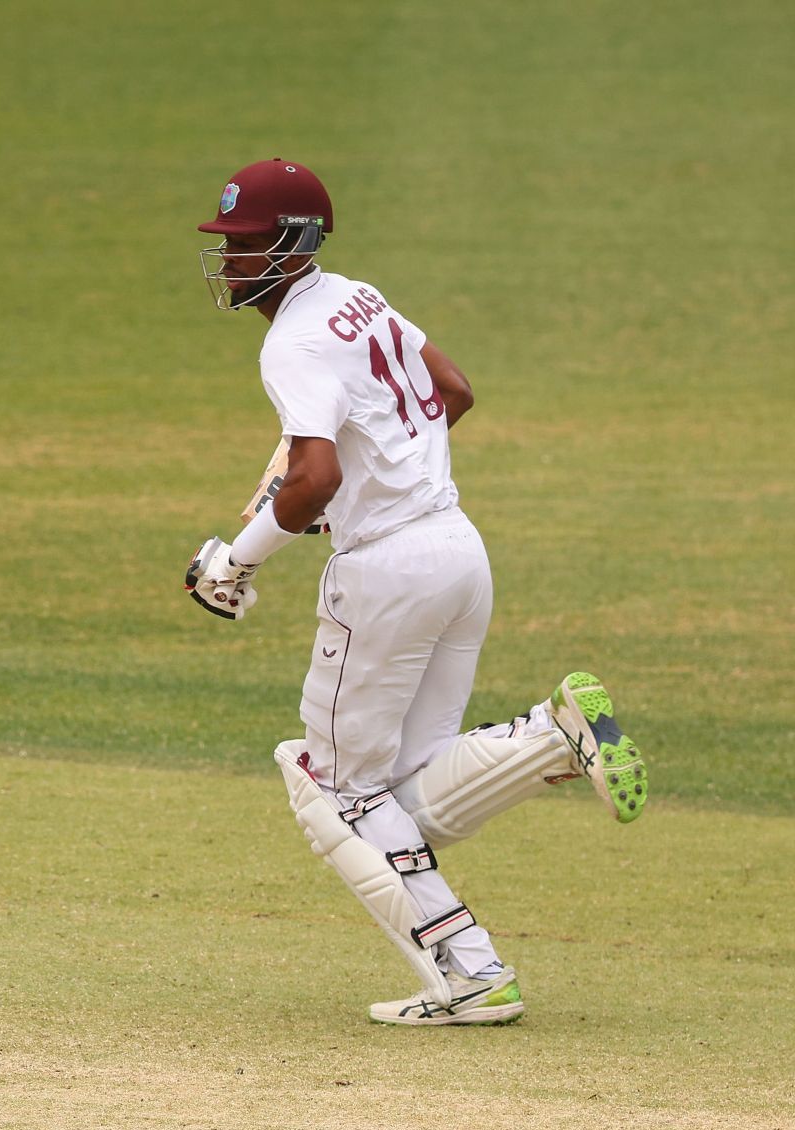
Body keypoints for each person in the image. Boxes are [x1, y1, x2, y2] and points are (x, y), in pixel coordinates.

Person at [187, 159, 649, 1026]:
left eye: (246, 245)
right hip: (457, 552)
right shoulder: (359, 296)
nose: (232, 260)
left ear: (294, 244)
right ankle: (549, 736)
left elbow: (313, 477)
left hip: (387, 573)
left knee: (334, 788)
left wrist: (239, 561)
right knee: (402, 792)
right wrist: (378, 481)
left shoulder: (289, 342)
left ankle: (473, 974)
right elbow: (455, 391)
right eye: (227, 244)